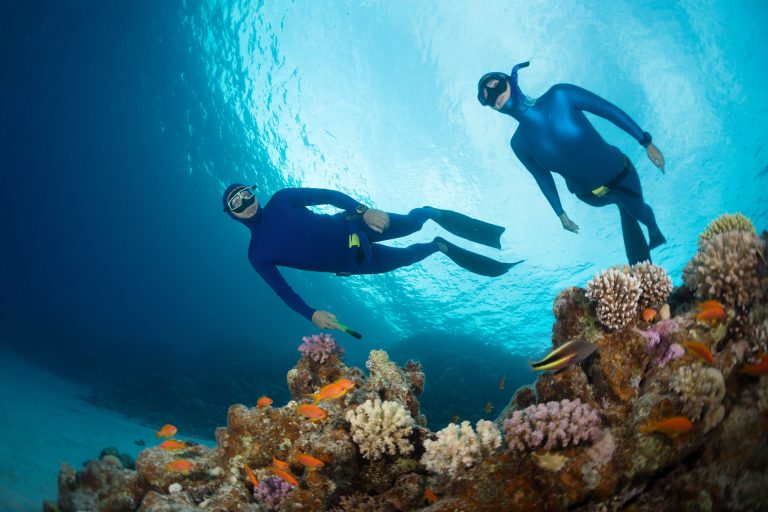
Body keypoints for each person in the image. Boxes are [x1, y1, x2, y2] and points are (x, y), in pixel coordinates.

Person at [222, 184, 521, 329]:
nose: (245, 203)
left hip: (358, 225)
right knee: (405, 258)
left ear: (254, 193)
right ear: (231, 214)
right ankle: (437, 246)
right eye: (236, 203)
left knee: (414, 223)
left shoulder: (283, 199)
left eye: (246, 194)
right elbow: (283, 290)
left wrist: (365, 211)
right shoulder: (257, 254)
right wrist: (310, 313)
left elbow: (330, 196)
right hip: (353, 263)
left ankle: (429, 212)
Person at [477, 62, 666, 264]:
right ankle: (629, 212)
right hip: (591, 196)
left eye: (494, 84)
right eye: (487, 97)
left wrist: (646, 142)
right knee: (626, 207)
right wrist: (560, 213)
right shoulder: (519, 144)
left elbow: (607, 110)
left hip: (622, 175)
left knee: (637, 211)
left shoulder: (561, 95)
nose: (492, 92)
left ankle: (654, 232)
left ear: (511, 80)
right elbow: (542, 176)